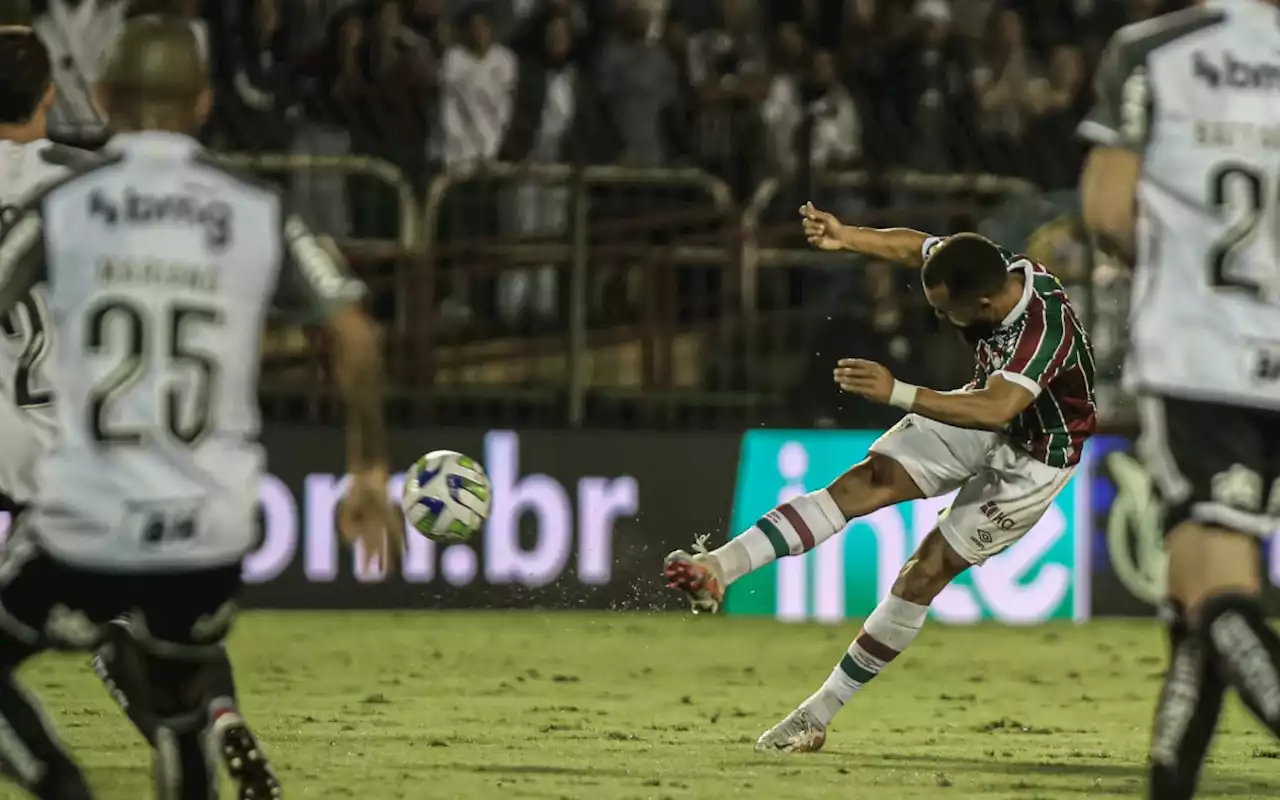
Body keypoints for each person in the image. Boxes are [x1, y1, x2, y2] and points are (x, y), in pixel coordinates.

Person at [0, 15, 399, 800]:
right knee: (177, 680)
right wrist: (369, 469)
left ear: (105, 97)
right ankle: (200, 739)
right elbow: (355, 332)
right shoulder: (255, 206)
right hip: (210, 517)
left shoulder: (74, 202)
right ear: (206, 103)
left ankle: (60, 786)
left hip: (83, 499)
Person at [665, 201, 1096, 752]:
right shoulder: (985, 265)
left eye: (948, 311)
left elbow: (997, 408)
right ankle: (719, 568)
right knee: (865, 481)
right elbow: (914, 246)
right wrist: (847, 237)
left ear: (986, 303)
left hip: (1034, 456)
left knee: (923, 572)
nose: (942, 319)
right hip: (984, 412)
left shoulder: (1043, 330)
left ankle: (816, 714)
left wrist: (896, 392)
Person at [1078, 2, 1280, 797]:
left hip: (1199, 355)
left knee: (1216, 593)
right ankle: (1169, 784)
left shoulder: (1156, 51)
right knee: (1189, 605)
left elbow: (1104, 212)